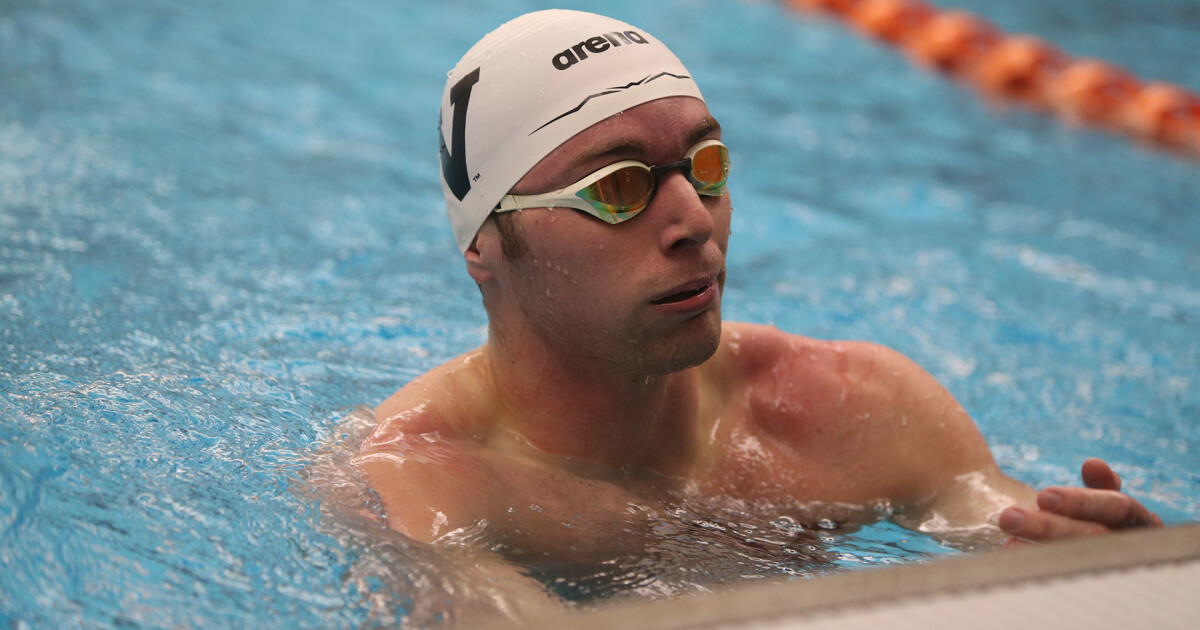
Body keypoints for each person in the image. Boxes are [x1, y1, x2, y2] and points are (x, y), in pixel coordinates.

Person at [355, 8, 1161, 585]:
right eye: (619, 187)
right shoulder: (425, 484)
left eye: (704, 164)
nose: (689, 221)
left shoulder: (854, 408)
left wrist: (1117, 570)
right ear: (484, 248)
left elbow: (1004, 534)